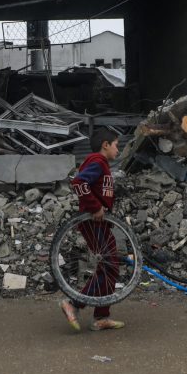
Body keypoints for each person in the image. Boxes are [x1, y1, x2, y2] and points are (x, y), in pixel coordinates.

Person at [60, 129, 125, 332]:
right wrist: (95, 207)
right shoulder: (97, 161)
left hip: (101, 224)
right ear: (105, 144)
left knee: (109, 267)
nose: (118, 150)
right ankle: (74, 304)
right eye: (116, 145)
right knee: (109, 267)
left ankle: (101, 317)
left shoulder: (101, 164)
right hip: (92, 222)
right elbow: (78, 182)